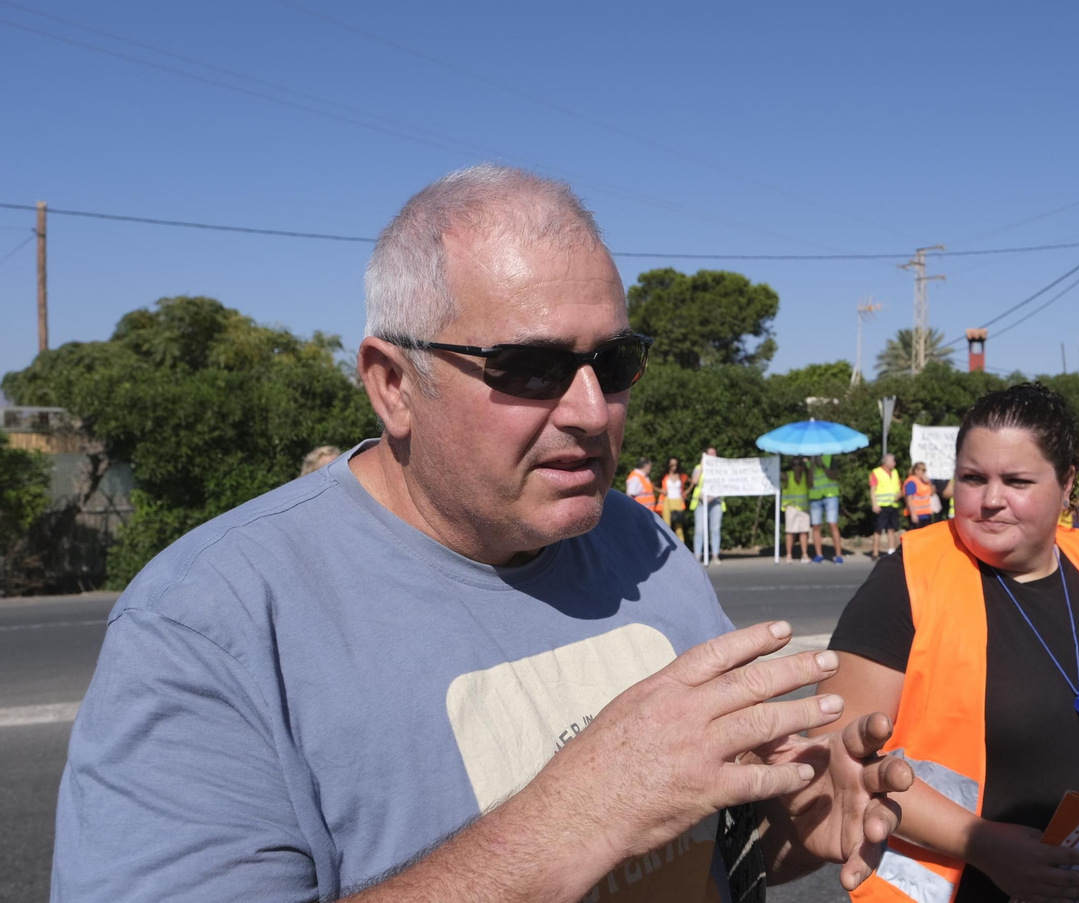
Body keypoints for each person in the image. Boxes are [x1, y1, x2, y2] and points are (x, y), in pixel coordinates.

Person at [52, 164, 913, 903]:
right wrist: (569, 820)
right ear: (392, 383)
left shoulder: (641, 541)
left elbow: (706, 846)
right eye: (530, 367)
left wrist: (795, 816)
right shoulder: (213, 620)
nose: (589, 412)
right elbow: (604, 809)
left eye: (611, 364)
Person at [820, 383, 1079, 903]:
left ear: (1068, 482)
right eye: (973, 478)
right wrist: (988, 849)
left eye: (1017, 481)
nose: (991, 500)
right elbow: (841, 757)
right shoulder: (906, 580)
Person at [690, 447, 725, 565]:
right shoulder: (698, 468)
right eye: (709, 453)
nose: (712, 455)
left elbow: (726, 484)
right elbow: (694, 481)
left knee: (715, 529)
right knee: (699, 530)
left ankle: (715, 555)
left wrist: (712, 497)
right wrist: (702, 465)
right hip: (701, 502)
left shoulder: (721, 468)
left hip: (716, 502)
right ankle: (697, 556)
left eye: (714, 453)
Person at [809, 454, 846, 563]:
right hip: (815, 496)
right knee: (816, 526)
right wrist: (812, 465)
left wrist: (823, 465)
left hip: (830, 496)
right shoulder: (809, 462)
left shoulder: (830, 458)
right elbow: (809, 483)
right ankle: (818, 555)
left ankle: (838, 555)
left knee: (832, 524)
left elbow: (833, 476)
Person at [869, 453, 901, 560]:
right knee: (878, 529)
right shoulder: (876, 472)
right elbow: (873, 490)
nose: (894, 463)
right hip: (881, 505)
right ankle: (875, 552)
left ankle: (891, 550)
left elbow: (898, 486)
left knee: (891, 528)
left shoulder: (895, 472)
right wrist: (874, 504)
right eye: (893, 461)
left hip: (892, 504)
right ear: (886, 462)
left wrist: (899, 495)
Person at [782, 457, 813, 563]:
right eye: (795, 464)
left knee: (804, 531)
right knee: (790, 532)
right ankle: (788, 555)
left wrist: (809, 464)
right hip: (791, 507)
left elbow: (811, 483)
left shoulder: (806, 475)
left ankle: (804, 554)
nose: (797, 466)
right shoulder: (788, 475)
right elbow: (779, 474)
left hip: (804, 507)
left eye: (799, 464)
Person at [658, 457, 690, 542]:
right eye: (672, 464)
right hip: (667, 501)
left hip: (678, 501)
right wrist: (661, 490)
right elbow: (653, 484)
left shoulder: (681, 476)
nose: (674, 466)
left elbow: (693, 482)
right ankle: (666, 545)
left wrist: (686, 492)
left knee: (679, 526)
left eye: (676, 464)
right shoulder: (665, 476)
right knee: (666, 525)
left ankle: (681, 547)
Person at [902, 461, 936, 530]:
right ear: (916, 470)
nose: (924, 472)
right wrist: (913, 514)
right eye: (923, 470)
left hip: (926, 514)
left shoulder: (925, 482)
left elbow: (931, 493)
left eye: (925, 470)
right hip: (917, 515)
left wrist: (929, 483)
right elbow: (909, 499)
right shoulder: (912, 482)